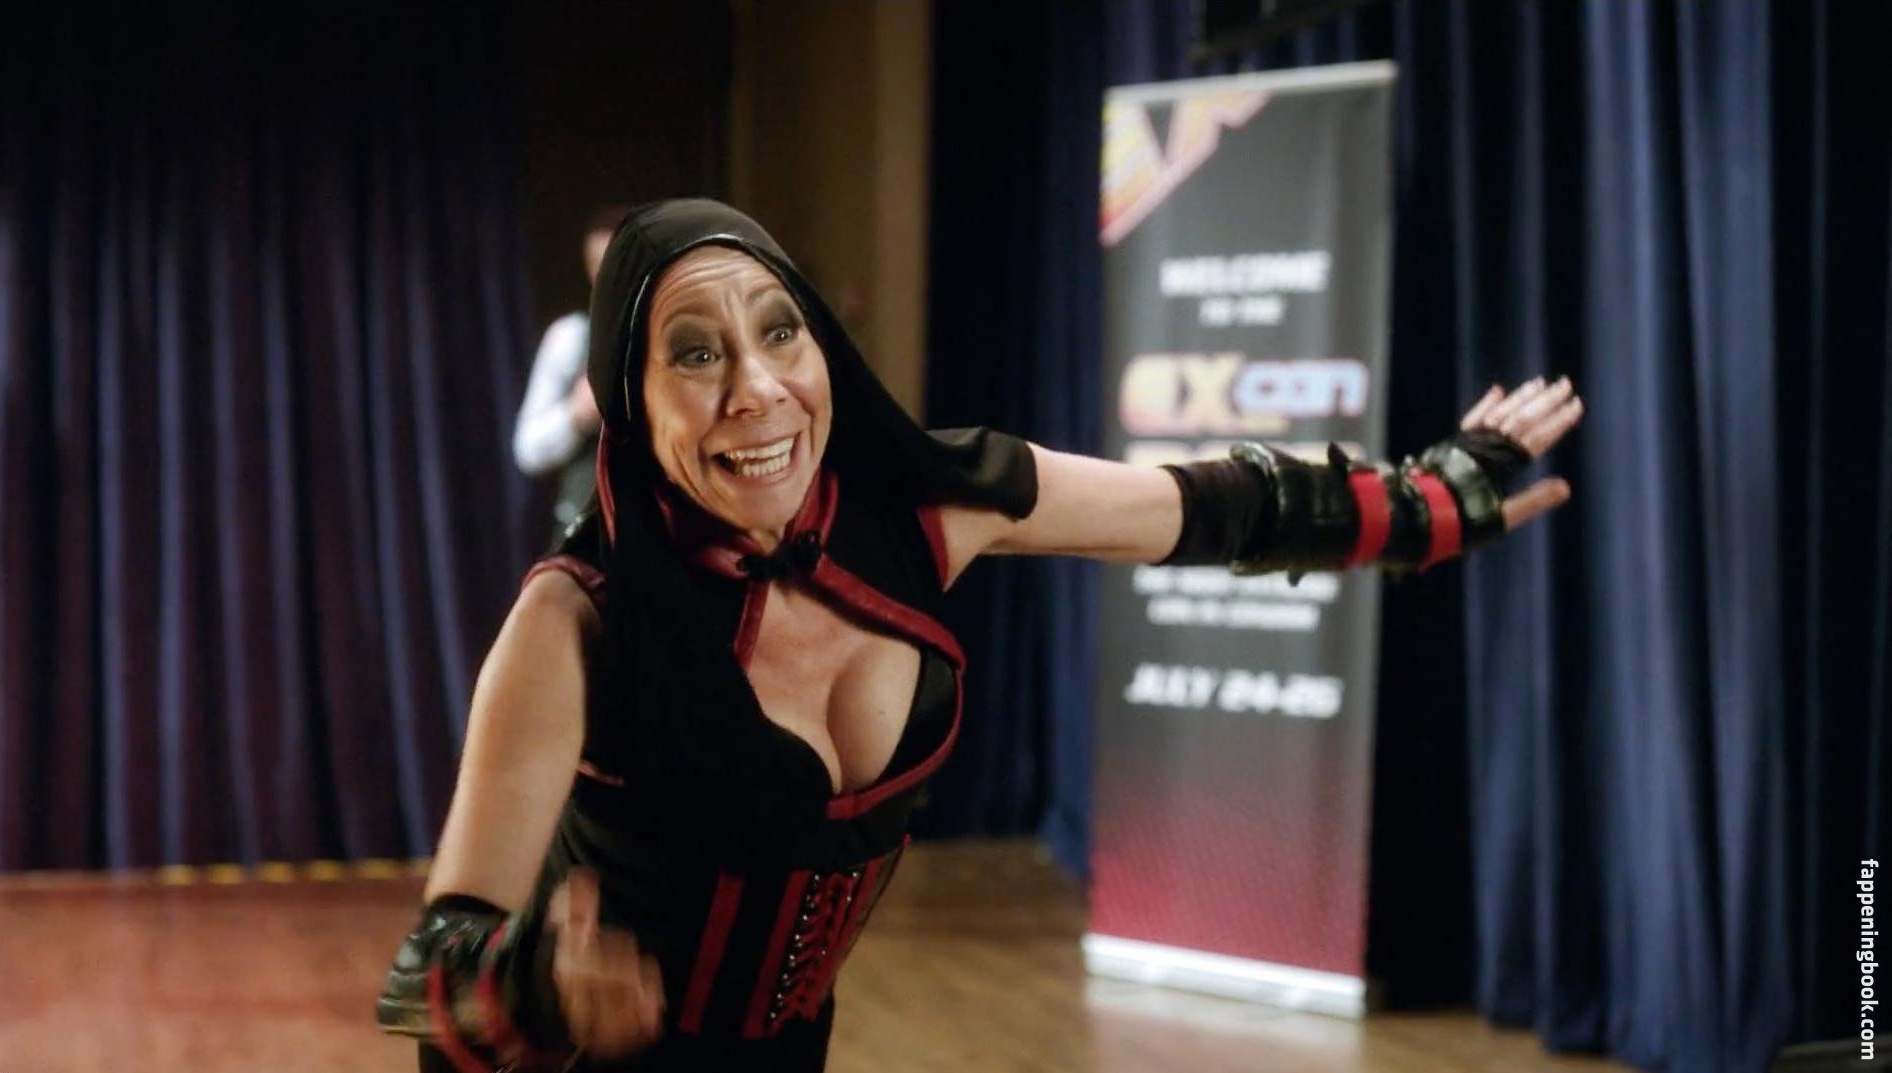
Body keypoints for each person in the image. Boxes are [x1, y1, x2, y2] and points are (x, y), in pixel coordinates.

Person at [376, 199, 1584, 1072]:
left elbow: (1209, 505)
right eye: (695, 352)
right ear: (628, 400)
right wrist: (535, 981)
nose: (757, 388)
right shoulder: (574, 620)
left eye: (780, 331)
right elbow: (435, 970)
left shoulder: (924, 507)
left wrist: (1431, 503)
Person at [514, 207, 627, 537]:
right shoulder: (572, 338)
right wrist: (576, 415)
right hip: (592, 536)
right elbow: (528, 448)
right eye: (602, 266)